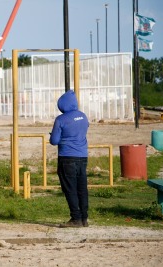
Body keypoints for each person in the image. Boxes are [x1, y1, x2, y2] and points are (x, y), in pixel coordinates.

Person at [49, 90, 89, 228]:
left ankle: (75, 218)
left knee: (70, 188)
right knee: (82, 188)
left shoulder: (60, 119)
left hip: (67, 157)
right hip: (82, 157)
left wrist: (54, 135)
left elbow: (54, 141)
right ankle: (84, 218)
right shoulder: (83, 116)